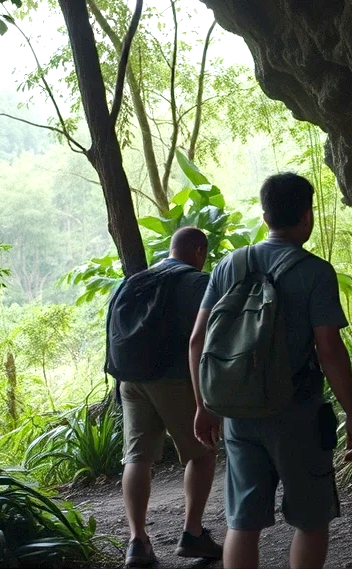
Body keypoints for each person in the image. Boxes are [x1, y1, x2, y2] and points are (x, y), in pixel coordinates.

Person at [188, 172, 352, 569]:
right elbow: (329, 350)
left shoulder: (229, 265)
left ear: (265, 216)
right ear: (307, 216)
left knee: (243, 522)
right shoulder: (316, 272)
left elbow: (198, 339)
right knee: (311, 519)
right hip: (296, 411)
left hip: (237, 411)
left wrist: (204, 404)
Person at [118, 227, 224, 567]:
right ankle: (192, 533)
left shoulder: (136, 280)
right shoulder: (196, 281)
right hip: (174, 378)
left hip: (131, 380)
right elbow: (204, 336)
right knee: (203, 452)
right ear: (198, 250)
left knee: (137, 457)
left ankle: (137, 542)